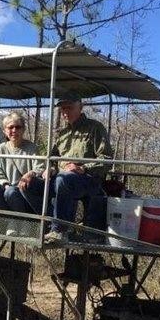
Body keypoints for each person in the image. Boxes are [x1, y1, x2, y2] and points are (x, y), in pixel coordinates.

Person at [22, 91, 113, 243]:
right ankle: (53, 223)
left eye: (69, 108)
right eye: (62, 109)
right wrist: (49, 169)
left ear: (80, 107)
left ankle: (60, 230)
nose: (65, 112)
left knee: (63, 179)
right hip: (62, 180)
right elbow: (52, 159)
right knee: (29, 184)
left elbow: (107, 159)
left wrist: (83, 168)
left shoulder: (94, 128)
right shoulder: (61, 134)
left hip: (88, 180)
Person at [0, 112, 44, 236]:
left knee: (11, 192)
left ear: (23, 129)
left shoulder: (31, 147)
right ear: (5, 130)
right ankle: (11, 220)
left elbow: (40, 168)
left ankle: (26, 222)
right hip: (8, 188)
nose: (14, 130)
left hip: (25, 190)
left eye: (18, 127)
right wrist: (7, 185)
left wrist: (30, 174)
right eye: (10, 127)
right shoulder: (1, 148)